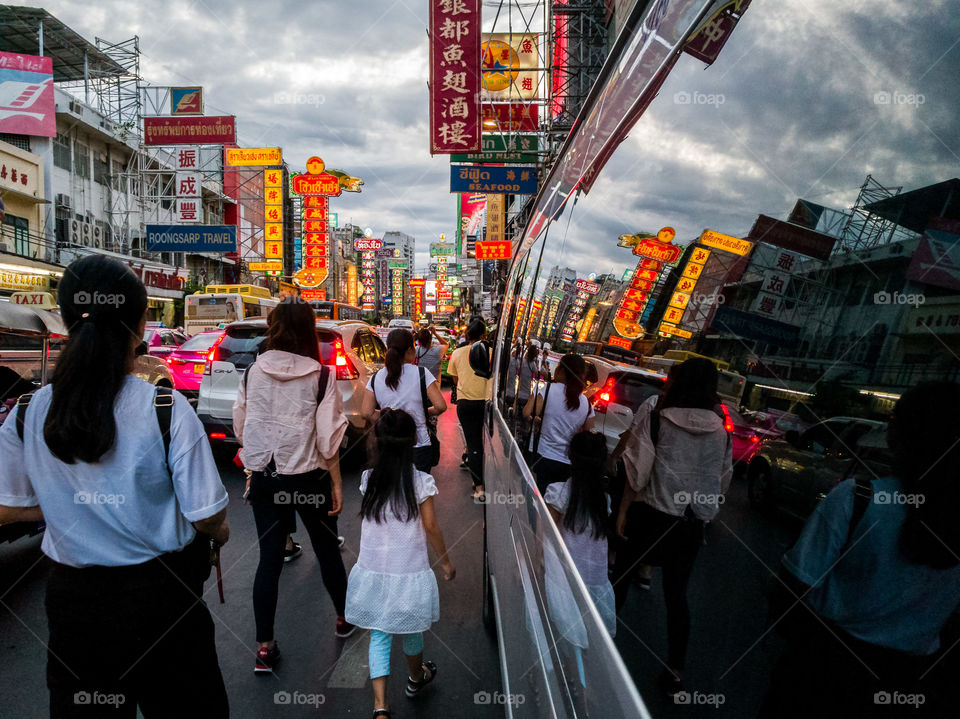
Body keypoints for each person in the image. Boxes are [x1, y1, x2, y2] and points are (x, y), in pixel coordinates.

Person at [0, 255, 230, 717]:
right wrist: (219, 534)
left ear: (65, 319)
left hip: (75, 609)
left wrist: (71, 506)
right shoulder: (165, 408)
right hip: (164, 602)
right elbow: (207, 516)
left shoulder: (27, 411)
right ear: (140, 322)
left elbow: (7, 509)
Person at [758, 381, 960, 718]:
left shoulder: (859, 500)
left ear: (899, 437)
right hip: (907, 680)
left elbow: (790, 595)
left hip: (823, 673)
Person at [233, 297, 354, 674]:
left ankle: (264, 648)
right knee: (327, 552)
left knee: (268, 561)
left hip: (268, 478)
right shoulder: (321, 375)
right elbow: (328, 439)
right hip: (309, 477)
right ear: (308, 331)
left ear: (273, 329)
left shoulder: (254, 371)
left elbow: (241, 426)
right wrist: (336, 483)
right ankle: (342, 619)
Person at [608, 357, 732, 696]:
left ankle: (604, 643)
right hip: (690, 524)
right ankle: (675, 669)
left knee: (619, 576)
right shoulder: (721, 425)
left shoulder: (659, 415)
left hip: (651, 513)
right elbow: (722, 479)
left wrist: (621, 512)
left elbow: (638, 471)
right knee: (677, 597)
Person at [345, 409, 456, 719]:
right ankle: (416, 678)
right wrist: (446, 563)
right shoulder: (420, 482)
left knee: (379, 634)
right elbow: (432, 527)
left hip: (375, 571)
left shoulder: (369, 479)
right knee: (412, 630)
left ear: (377, 443)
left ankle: (380, 706)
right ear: (411, 444)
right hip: (408, 571)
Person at [544, 431, 617, 686]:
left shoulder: (559, 492)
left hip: (566, 575)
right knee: (588, 632)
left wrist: (536, 563)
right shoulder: (604, 499)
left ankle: (575, 684)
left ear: (570, 457)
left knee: (566, 629)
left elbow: (547, 534)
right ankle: (584, 683)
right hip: (595, 576)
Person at [363, 329, 447, 473]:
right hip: (419, 445)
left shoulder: (376, 377)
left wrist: (389, 415)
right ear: (409, 350)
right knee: (418, 491)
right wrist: (422, 413)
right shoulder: (421, 373)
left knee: (392, 491)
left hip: (388, 443)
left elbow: (366, 412)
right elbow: (440, 406)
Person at [523, 353, 595, 494]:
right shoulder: (586, 403)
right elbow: (587, 434)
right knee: (553, 503)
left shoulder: (547, 389)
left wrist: (535, 420)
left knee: (534, 499)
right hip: (566, 464)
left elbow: (526, 413)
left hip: (540, 456)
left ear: (562, 371)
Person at [448, 318, 489, 498]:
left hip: (466, 404)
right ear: (484, 335)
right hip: (488, 404)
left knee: (473, 445)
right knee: (487, 444)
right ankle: (479, 478)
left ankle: (478, 487)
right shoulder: (492, 352)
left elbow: (455, 380)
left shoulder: (457, 353)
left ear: (467, 335)